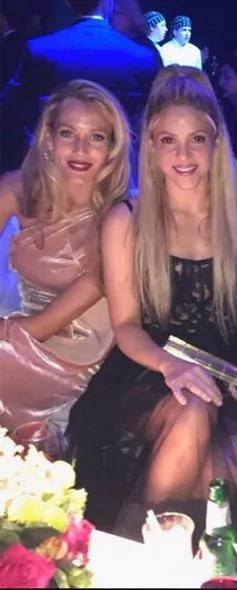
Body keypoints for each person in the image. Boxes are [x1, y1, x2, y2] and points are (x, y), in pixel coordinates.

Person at [67, 66, 237, 537]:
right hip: (150, 368)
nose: (183, 155)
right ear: (151, 145)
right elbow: (127, 325)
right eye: (168, 140)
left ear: (216, 142)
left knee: (216, 489)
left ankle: (152, 554)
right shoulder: (126, 219)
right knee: (192, 412)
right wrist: (171, 367)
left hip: (232, 370)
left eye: (196, 140)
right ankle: (150, 558)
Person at [0, 79, 131, 431]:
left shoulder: (120, 219)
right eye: (68, 134)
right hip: (23, 334)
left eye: (96, 137)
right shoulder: (16, 188)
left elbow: (42, 327)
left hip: (77, 356)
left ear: (112, 149)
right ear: (48, 139)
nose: (81, 149)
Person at [0, 0, 161, 166]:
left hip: (55, 166)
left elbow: (9, 107)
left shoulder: (39, 50)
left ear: (68, 3)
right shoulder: (143, 57)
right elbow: (158, 115)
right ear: (108, 3)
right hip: (121, 166)